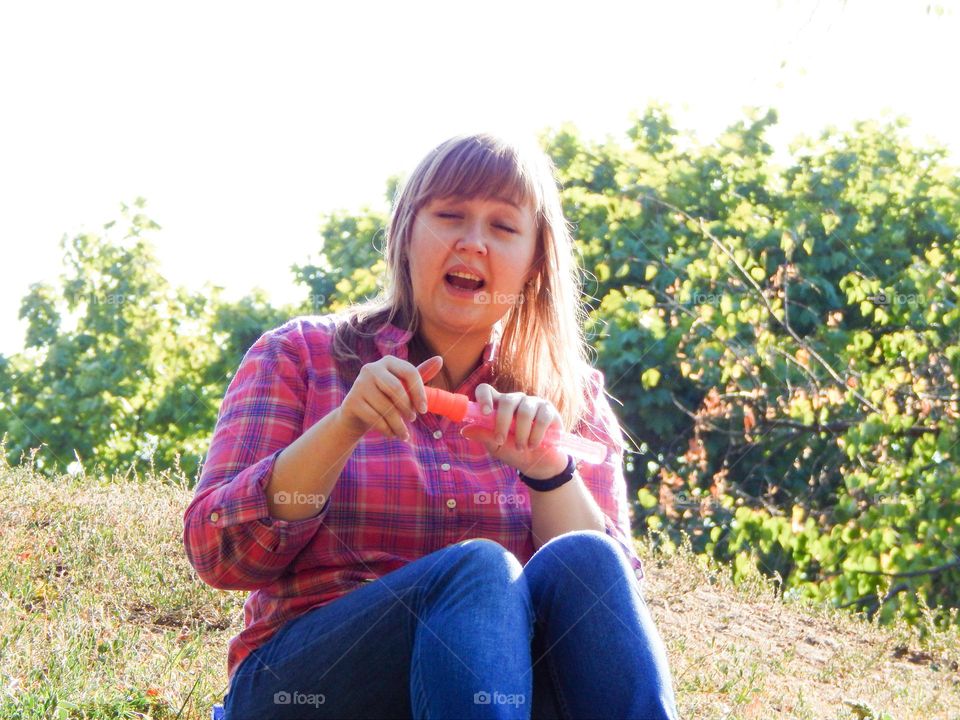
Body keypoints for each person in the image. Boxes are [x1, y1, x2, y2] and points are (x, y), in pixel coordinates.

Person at [183, 132, 679, 719]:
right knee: (478, 569)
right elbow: (220, 554)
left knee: (590, 560)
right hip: (310, 687)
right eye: (450, 216)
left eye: (502, 227)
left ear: (534, 263)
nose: (473, 242)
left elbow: (605, 618)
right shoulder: (300, 356)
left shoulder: (571, 397)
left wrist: (549, 472)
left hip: (513, 693)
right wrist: (343, 427)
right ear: (405, 235)